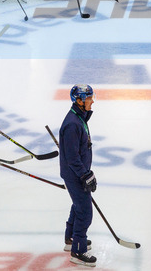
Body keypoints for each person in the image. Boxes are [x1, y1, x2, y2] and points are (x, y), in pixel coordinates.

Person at [59, 84, 96, 267]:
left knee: (79, 205)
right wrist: (85, 175)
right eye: (89, 98)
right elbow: (73, 158)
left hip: (77, 173)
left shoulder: (79, 118)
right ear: (79, 101)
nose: (92, 101)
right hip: (75, 174)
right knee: (85, 212)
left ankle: (72, 238)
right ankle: (78, 251)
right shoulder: (73, 124)